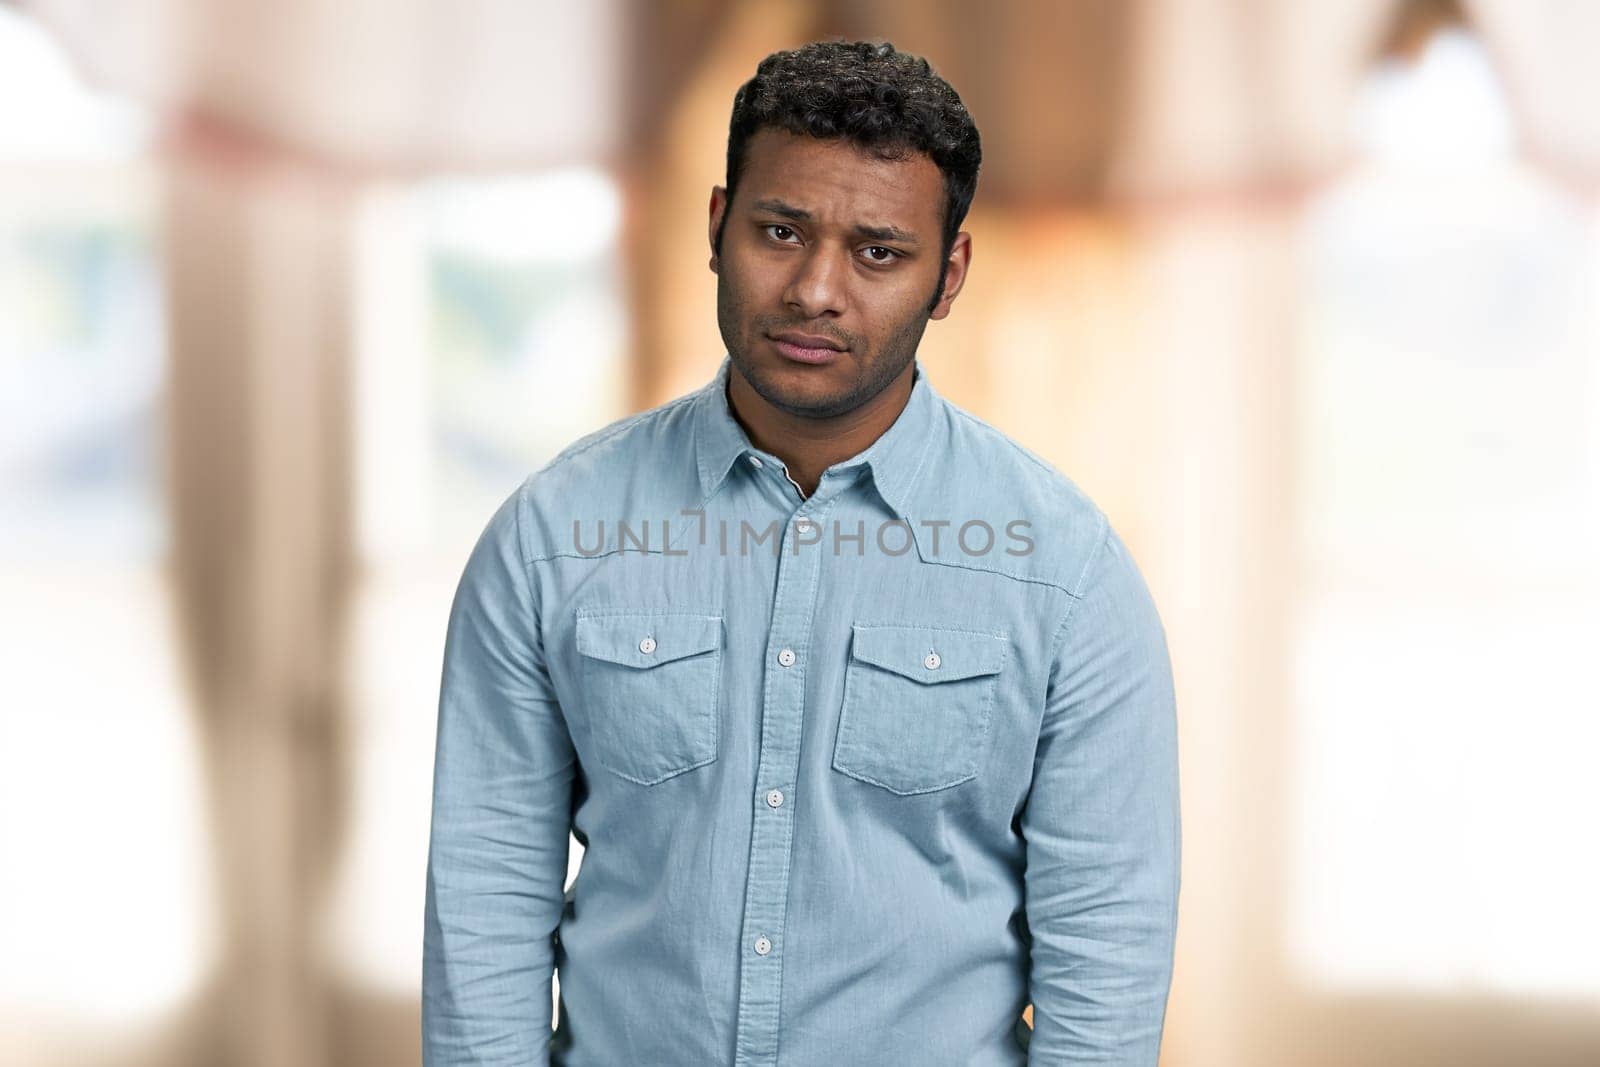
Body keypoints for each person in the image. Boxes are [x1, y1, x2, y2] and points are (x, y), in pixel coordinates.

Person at [422, 39, 1180, 1066]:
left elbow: (1106, 947)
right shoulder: (552, 537)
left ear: (947, 275)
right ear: (715, 226)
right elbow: (486, 902)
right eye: (780, 231)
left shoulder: (1063, 569)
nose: (816, 289)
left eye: (877, 251)